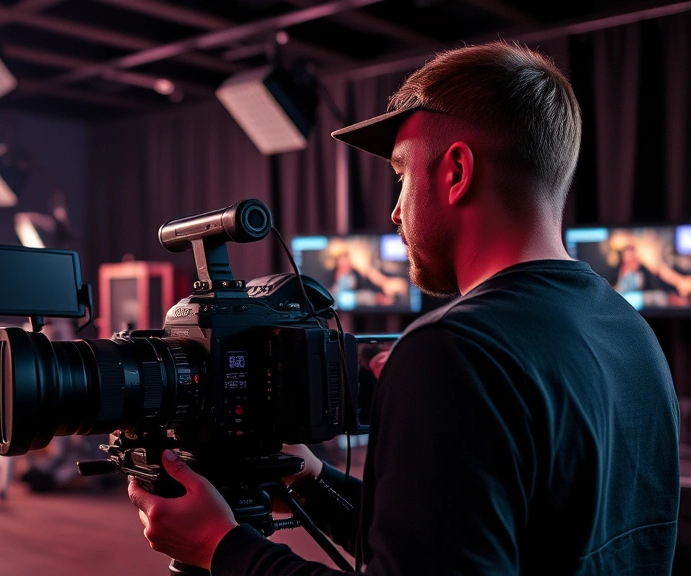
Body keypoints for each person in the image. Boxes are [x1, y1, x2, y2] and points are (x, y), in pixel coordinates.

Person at [127, 41, 681, 575]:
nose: (394, 212)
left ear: (457, 172)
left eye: (401, 175)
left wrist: (220, 547)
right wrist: (309, 480)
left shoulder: (454, 350)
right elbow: (464, 544)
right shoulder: (629, 330)